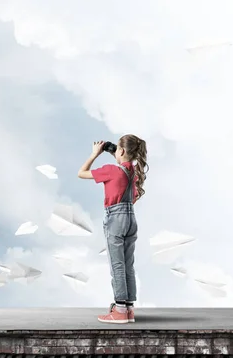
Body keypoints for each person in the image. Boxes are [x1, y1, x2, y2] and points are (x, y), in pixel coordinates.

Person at [77, 134, 148, 324]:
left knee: (116, 264)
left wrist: (95, 154)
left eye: (117, 148)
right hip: (131, 217)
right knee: (127, 264)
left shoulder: (110, 170)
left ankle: (120, 310)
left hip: (115, 218)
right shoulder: (133, 171)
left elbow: (81, 172)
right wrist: (115, 152)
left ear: (122, 151)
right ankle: (129, 309)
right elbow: (123, 171)